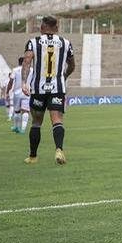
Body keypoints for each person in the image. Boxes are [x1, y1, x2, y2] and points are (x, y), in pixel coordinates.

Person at [22, 15, 76, 165]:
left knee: (36, 122)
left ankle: (33, 156)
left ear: (42, 28)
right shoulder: (65, 43)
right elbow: (72, 65)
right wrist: (63, 76)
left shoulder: (34, 42)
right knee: (57, 120)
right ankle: (59, 149)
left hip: (39, 89)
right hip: (57, 88)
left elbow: (27, 62)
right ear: (57, 28)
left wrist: (24, 82)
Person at [5, 58, 30, 134]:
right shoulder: (31, 70)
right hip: (27, 92)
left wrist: (7, 91)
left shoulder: (15, 70)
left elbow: (11, 81)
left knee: (17, 111)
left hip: (17, 93)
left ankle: (16, 127)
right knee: (26, 111)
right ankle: (23, 129)